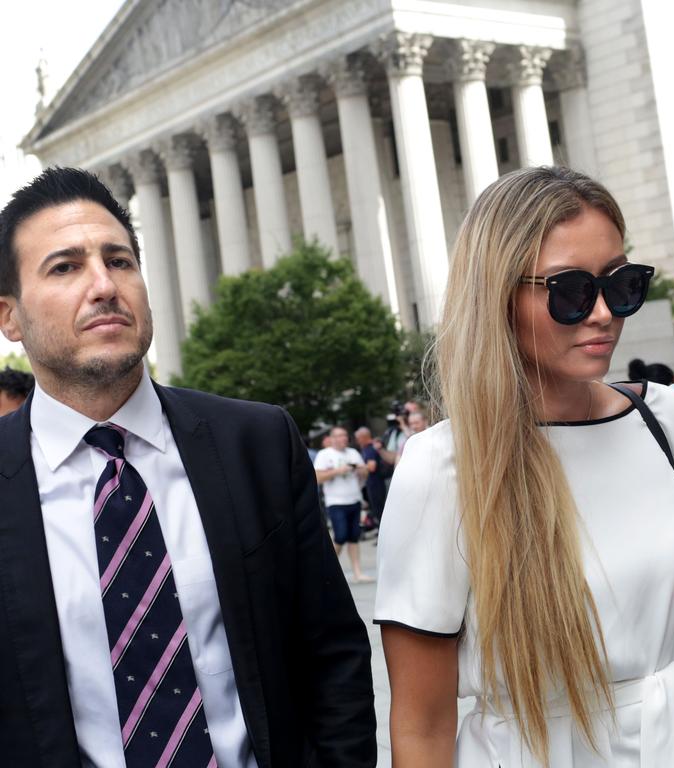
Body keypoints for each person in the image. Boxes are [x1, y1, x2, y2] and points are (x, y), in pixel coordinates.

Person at [374, 166, 674, 767]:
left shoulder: (670, 421)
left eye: (623, 283)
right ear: (497, 295)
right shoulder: (443, 467)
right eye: (572, 290)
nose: (605, 313)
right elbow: (422, 726)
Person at [0, 167, 375, 766]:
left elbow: (333, 655)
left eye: (119, 261)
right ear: (9, 317)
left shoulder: (256, 443)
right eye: (65, 267)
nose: (103, 285)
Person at [314, 426, 372, 582]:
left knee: (354, 537)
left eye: (345, 435)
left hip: (354, 499)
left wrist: (359, 469)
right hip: (336, 502)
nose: (343, 438)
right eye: (339, 436)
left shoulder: (353, 453)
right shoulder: (324, 454)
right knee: (340, 536)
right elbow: (317, 477)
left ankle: (357, 572)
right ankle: (328, 571)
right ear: (332, 438)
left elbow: (365, 472)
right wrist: (338, 471)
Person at [355, 426, 386, 527]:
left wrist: (355, 466)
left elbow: (372, 466)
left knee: (379, 510)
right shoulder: (370, 447)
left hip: (376, 484)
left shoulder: (369, 448)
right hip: (374, 483)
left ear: (364, 437)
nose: (357, 441)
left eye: (358, 438)